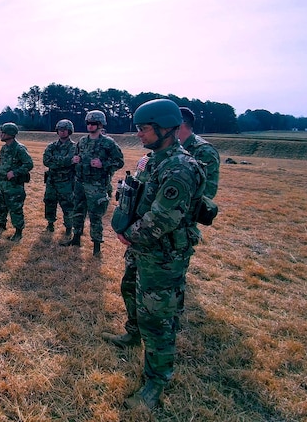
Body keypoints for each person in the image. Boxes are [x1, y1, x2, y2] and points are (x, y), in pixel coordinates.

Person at [102, 99, 206, 410]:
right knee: (130, 290)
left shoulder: (180, 168)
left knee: (158, 320)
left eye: (143, 128)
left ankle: (156, 381)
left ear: (164, 128)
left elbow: (162, 219)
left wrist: (128, 235)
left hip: (162, 255)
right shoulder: (155, 161)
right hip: (142, 249)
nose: (139, 134)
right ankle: (133, 335)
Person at [176, 106, 220, 329]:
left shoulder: (204, 151)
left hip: (183, 218)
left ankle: (176, 313)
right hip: (166, 214)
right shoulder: (170, 147)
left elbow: (207, 193)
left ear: (180, 124)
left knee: (177, 265)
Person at [60, 110, 124, 256]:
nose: (90, 126)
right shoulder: (82, 141)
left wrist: (103, 164)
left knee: (95, 215)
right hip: (80, 183)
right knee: (77, 211)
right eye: (88, 123)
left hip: (97, 185)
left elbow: (119, 161)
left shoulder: (108, 143)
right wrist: (75, 159)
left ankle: (96, 246)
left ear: (100, 124)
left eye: (93, 123)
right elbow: (77, 156)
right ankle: (76, 238)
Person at [0, 122, 34, 241]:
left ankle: (18, 231)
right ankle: (1, 225)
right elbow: (2, 162)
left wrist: (15, 172)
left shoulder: (19, 149)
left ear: (10, 134)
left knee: (15, 208)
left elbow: (29, 164)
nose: (1, 134)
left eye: (3, 132)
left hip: (14, 186)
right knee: (1, 206)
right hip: (1, 184)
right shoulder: (4, 148)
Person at [42, 119, 77, 235]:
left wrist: (56, 161)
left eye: (65, 130)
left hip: (66, 181)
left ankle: (68, 228)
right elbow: (46, 161)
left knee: (68, 205)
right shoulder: (51, 146)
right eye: (60, 130)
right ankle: (50, 223)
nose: (62, 132)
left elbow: (72, 160)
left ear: (69, 131)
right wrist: (65, 162)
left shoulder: (74, 147)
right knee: (49, 202)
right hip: (52, 180)